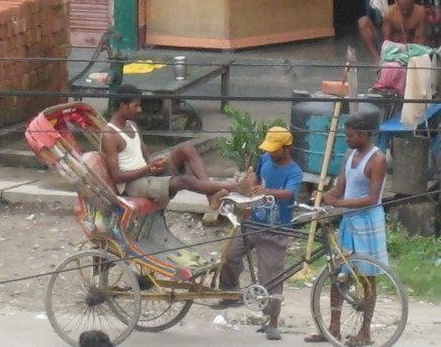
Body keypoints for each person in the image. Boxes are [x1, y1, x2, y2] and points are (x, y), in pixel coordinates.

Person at [212, 126, 303, 342]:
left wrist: (266, 192)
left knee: (271, 275)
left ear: (287, 148)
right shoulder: (265, 160)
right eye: (269, 149)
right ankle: (230, 293)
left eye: (275, 149)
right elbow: (257, 180)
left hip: (276, 229)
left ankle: (272, 321)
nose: (270, 152)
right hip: (252, 222)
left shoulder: (294, 172)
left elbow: (288, 193)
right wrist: (250, 189)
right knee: (229, 256)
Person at [305, 112, 388, 346]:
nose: (347, 139)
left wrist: (339, 204)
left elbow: (372, 198)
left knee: (367, 278)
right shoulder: (350, 155)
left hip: (368, 222)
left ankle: (365, 332)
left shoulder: (377, 159)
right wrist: (322, 198)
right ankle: (333, 328)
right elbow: (339, 188)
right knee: (338, 274)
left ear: (364, 134)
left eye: (351, 136)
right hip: (349, 223)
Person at [100, 84, 253, 210]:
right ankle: (236, 187)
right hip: (133, 185)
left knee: (187, 148)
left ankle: (211, 196)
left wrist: (155, 165)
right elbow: (117, 176)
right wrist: (149, 169)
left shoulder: (131, 124)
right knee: (184, 181)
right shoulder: (110, 135)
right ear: (123, 106)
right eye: (136, 106)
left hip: (147, 173)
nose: (140, 109)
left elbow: (145, 153)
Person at [358, 0, 427, 62]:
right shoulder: (390, 12)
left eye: (408, 10)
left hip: (410, 48)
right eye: (403, 11)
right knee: (363, 22)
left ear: (413, 4)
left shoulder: (420, 12)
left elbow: (420, 38)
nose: (406, 13)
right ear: (398, 4)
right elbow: (387, 40)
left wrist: (414, 57)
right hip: (391, 46)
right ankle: (378, 60)